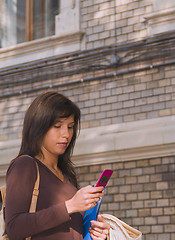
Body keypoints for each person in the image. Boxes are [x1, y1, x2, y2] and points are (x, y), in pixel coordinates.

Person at [5, 91, 110, 240]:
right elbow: (14, 228)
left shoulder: (67, 176)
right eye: (57, 126)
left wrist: (97, 234)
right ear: (39, 127)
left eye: (70, 126)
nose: (66, 134)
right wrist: (70, 206)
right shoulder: (25, 165)